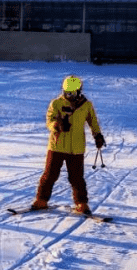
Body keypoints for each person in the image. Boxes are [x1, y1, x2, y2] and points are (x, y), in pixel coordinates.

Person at [31, 75, 105, 214]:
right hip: (57, 146)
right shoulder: (56, 103)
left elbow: (93, 122)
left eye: (72, 93)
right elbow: (49, 121)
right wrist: (57, 126)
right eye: (66, 92)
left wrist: (98, 135)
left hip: (76, 148)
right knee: (50, 175)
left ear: (79, 91)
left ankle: (81, 204)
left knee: (77, 177)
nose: (69, 95)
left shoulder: (86, 105)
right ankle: (41, 200)